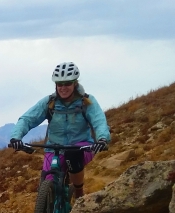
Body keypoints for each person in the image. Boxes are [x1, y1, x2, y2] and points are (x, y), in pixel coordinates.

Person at [9, 61, 111, 198]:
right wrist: (16, 137)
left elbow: (99, 122)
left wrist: (102, 138)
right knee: (46, 189)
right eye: (59, 84)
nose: (63, 87)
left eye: (67, 83)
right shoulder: (49, 102)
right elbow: (28, 119)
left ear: (75, 83)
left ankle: (78, 192)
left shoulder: (86, 101)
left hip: (81, 146)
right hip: (54, 148)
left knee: (72, 156)